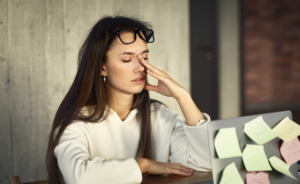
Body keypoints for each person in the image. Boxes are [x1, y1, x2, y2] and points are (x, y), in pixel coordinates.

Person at [46, 15, 212, 184]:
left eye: (144, 57)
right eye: (127, 59)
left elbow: (205, 163)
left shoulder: (160, 117)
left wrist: (182, 96)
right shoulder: (76, 123)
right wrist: (143, 165)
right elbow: (79, 177)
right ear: (102, 67)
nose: (140, 67)